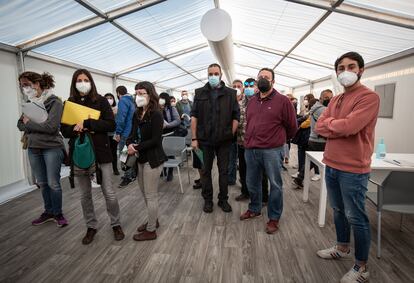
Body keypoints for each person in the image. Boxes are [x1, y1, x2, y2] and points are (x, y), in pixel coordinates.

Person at [315, 52, 380, 283]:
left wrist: (333, 124)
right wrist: (336, 125)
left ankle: (362, 267)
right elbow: (319, 126)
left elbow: (350, 127)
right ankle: (342, 247)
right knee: (339, 211)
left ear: (361, 70)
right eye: (341, 68)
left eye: (351, 67)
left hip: (354, 168)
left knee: (356, 216)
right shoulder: (335, 99)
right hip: (331, 163)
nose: (346, 71)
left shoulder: (369, 97)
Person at [61, 69, 124, 245]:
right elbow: (64, 129)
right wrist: (74, 128)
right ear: (74, 83)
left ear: (91, 82)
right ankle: (91, 226)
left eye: (86, 79)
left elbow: (110, 124)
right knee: (84, 195)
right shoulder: (70, 103)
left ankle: (116, 223)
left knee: (109, 193)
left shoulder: (102, 101)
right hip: (80, 154)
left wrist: (88, 123)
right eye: (79, 80)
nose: (83, 82)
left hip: (101, 153)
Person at [240, 67, 297, 235]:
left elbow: (292, 127)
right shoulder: (252, 101)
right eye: (260, 77)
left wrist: (278, 141)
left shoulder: (283, 101)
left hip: (272, 150)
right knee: (252, 182)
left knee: (275, 185)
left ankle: (274, 217)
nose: (263, 79)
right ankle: (255, 208)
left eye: (267, 77)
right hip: (251, 149)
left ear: (273, 81)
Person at [17, 71, 68, 227]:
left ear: (37, 84)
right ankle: (48, 212)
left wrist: (30, 124)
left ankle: (58, 213)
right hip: (33, 148)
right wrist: (33, 124)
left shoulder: (54, 102)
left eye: (26, 84)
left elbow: (51, 127)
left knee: (53, 183)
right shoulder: (30, 103)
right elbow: (19, 124)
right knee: (43, 183)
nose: (24, 88)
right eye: (21, 86)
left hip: (51, 147)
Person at [191, 63, 240, 213]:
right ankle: (208, 200)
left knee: (223, 171)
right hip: (203, 141)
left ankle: (223, 199)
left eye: (215, 73)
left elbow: (236, 116)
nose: (213, 76)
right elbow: (194, 117)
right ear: (207, 75)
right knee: (205, 171)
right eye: (210, 74)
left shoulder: (231, 93)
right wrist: (194, 138)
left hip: (224, 141)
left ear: (221, 75)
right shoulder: (199, 93)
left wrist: (229, 134)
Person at [127, 81, 167, 241]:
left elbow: (156, 140)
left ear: (150, 94)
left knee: (151, 195)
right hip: (140, 159)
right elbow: (131, 132)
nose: (139, 96)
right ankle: (153, 220)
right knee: (145, 193)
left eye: (142, 93)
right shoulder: (137, 114)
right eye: (137, 93)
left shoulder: (156, 113)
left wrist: (136, 147)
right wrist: (129, 143)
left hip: (153, 159)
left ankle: (151, 230)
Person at [235, 78, 269, 203]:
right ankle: (245, 192)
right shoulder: (239, 102)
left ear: (257, 87)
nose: (248, 87)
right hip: (242, 142)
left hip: (258, 144)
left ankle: (264, 196)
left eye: (251, 85)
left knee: (261, 172)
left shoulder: (261, 101)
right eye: (246, 85)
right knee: (243, 169)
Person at [307, 89, 333, 181]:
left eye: (331, 98)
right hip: (320, 139)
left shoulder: (316, 107)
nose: (329, 100)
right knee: (326, 162)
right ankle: (302, 175)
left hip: (313, 138)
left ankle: (301, 176)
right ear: (320, 98)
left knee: (312, 161)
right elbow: (332, 122)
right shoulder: (323, 109)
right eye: (326, 98)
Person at [114, 85, 136, 188]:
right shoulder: (133, 101)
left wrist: (118, 132)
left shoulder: (122, 101)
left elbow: (121, 118)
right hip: (132, 132)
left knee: (123, 156)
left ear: (118, 93)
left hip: (125, 132)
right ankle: (132, 174)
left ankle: (127, 177)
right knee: (130, 154)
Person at [291, 93, 314, 181]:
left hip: (306, 135)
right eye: (304, 99)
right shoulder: (306, 109)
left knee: (303, 153)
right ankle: (301, 171)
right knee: (302, 153)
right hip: (304, 135)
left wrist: (300, 124)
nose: (305, 101)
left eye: (306, 99)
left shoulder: (312, 110)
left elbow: (307, 122)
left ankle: (301, 172)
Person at [159, 92, 181, 181]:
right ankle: (163, 170)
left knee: (170, 153)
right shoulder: (156, 109)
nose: (160, 100)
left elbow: (177, 121)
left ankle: (170, 172)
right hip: (160, 135)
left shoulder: (172, 109)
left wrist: (167, 125)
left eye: (162, 98)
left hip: (170, 134)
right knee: (161, 153)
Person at [228, 79, 243, 186]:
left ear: (242, 88)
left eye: (238, 86)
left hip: (244, 138)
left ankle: (244, 182)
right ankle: (231, 179)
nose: (236, 88)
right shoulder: (228, 102)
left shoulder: (248, 101)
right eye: (234, 86)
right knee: (231, 159)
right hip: (232, 136)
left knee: (243, 162)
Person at [104, 93, 119, 175]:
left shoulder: (117, 109)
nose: (109, 99)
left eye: (111, 98)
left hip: (114, 134)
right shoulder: (102, 109)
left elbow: (118, 122)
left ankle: (115, 168)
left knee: (114, 152)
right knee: (106, 153)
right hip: (105, 134)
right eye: (107, 98)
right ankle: (106, 170)